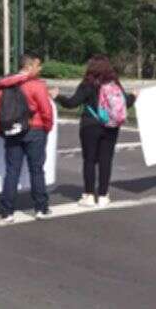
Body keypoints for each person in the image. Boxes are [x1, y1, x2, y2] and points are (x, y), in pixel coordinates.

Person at [57, 55, 136, 207]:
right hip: (111, 126)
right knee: (106, 160)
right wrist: (134, 96)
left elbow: (72, 103)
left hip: (90, 125)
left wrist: (58, 96)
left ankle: (88, 195)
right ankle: (103, 195)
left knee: (90, 160)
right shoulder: (114, 83)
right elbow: (125, 103)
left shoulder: (87, 84)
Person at [0, 53, 57, 222]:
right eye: (38, 65)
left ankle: (7, 211)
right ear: (28, 67)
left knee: (12, 171)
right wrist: (46, 127)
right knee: (36, 169)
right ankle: (41, 208)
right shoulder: (36, 85)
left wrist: (1, 131)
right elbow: (46, 110)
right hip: (35, 129)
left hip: (11, 131)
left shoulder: (2, 86)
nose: (40, 68)